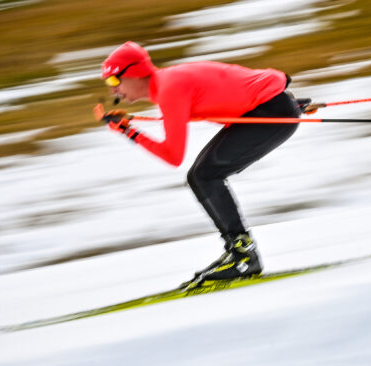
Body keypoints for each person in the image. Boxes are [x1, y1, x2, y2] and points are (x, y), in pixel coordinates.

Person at [99, 41, 302, 284]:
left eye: (113, 81)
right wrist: (285, 101)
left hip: (271, 111)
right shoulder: (168, 83)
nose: (112, 91)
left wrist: (129, 133)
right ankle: (238, 251)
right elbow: (228, 85)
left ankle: (243, 255)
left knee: (204, 176)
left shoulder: (169, 89)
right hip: (269, 107)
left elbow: (173, 156)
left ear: (133, 73)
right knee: (201, 176)